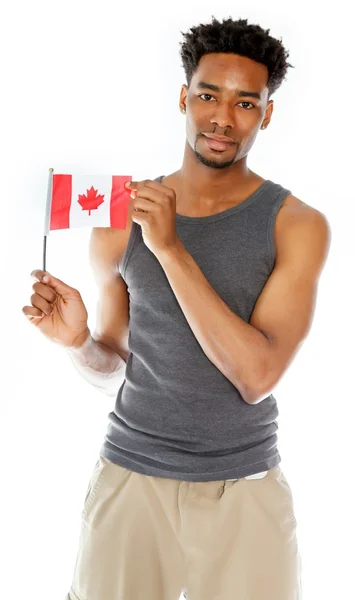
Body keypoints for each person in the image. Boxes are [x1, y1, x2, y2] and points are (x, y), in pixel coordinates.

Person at [23, 16, 331, 600]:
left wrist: (168, 247)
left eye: (246, 102)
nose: (222, 117)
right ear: (183, 98)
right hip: (130, 478)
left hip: (245, 488)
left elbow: (258, 376)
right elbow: (112, 363)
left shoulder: (297, 225)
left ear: (266, 114)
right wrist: (77, 343)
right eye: (208, 95)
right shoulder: (120, 218)